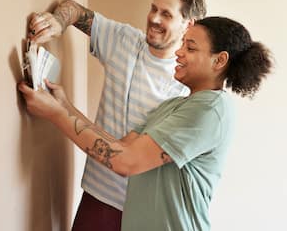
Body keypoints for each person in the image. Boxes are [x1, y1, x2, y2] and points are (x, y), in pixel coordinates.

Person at [19, 16, 273, 230]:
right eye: (183, 44)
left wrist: (55, 114)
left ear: (219, 60)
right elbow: (118, 147)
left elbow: (125, 161)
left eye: (191, 48)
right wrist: (64, 106)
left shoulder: (212, 109)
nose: (179, 52)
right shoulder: (173, 106)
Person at [27, 0, 207, 230]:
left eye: (166, 14)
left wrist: (61, 111)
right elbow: (74, 10)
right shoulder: (123, 40)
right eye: (153, 8)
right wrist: (58, 21)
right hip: (98, 198)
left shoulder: (186, 84)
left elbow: (129, 153)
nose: (154, 18)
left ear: (188, 25)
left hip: (147, 214)